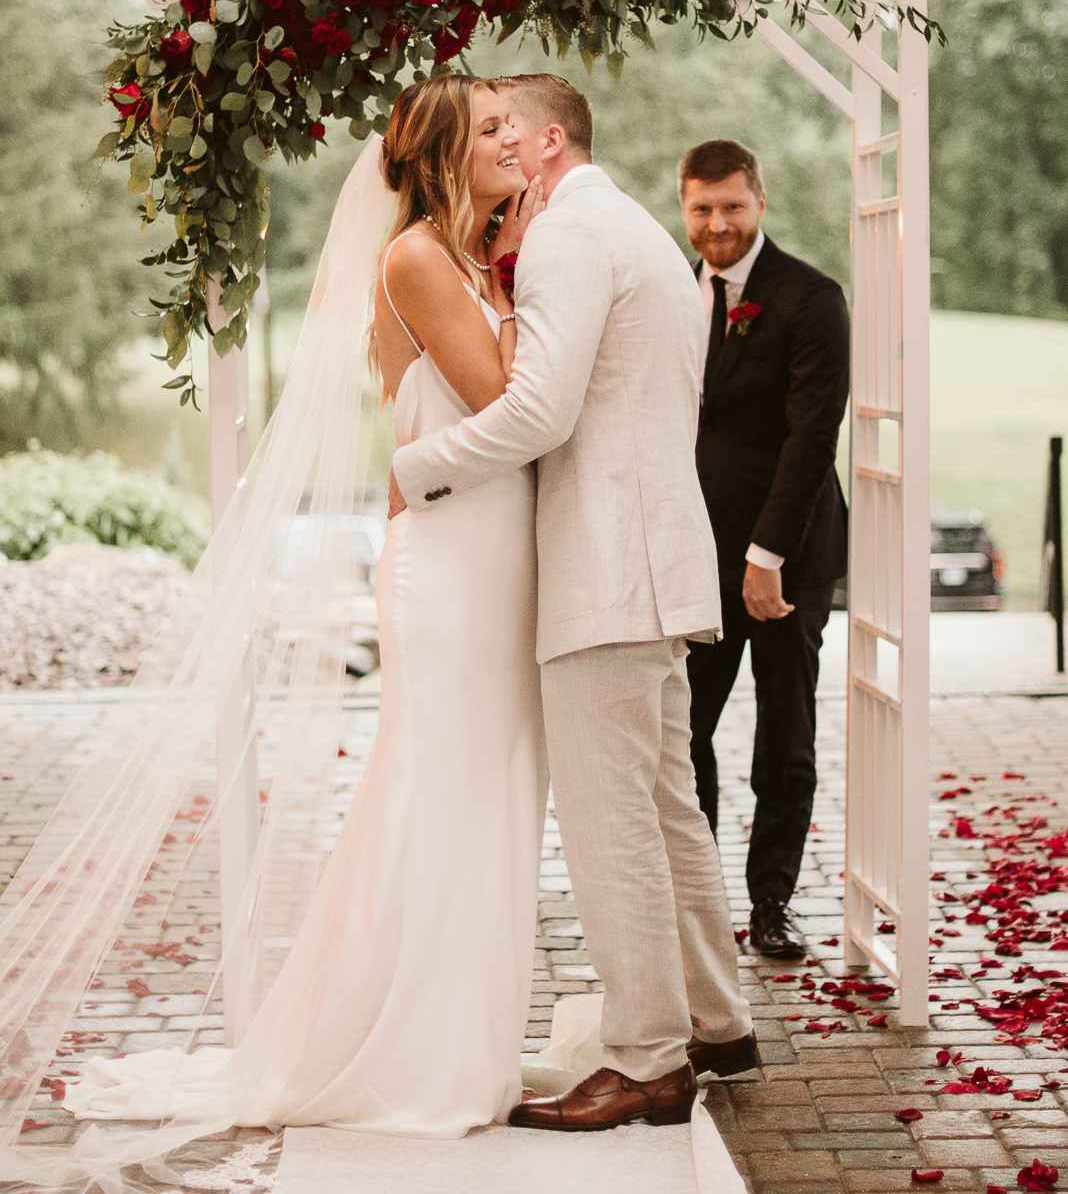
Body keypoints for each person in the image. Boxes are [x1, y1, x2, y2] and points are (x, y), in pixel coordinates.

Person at [17, 77, 551, 1164]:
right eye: (492, 128)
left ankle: (464, 1038)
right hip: (448, 567)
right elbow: (506, 394)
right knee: (434, 801)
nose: (516, 140)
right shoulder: (415, 258)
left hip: (486, 556)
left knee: (483, 799)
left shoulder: (466, 255)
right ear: (446, 155)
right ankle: (414, 1054)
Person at [390, 74, 758, 1129]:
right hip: (654, 560)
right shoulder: (633, 226)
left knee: (614, 829)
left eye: (512, 129)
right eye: (485, 130)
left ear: (546, 144)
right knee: (665, 809)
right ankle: (716, 1018)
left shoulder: (561, 237)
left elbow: (541, 411)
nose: (505, 149)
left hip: (606, 569)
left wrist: (419, 469)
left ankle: (648, 1059)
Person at [679, 139, 850, 961]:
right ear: (686, 207)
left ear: (760, 201)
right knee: (682, 727)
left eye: (732, 207)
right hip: (695, 550)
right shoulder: (675, 292)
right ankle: (700, 897)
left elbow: (812, 435)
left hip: (789, 548)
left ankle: (773, 903)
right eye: (702, 208)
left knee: (784, 733)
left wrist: (766, 555)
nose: (717, 224)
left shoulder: (811, 298)